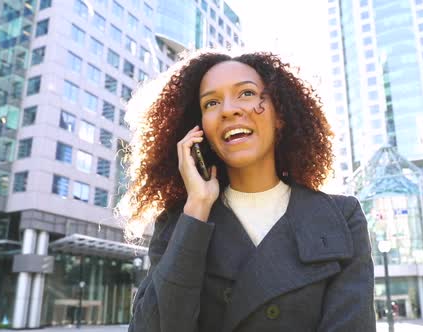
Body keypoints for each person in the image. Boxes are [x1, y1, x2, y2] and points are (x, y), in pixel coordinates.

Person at [118, 50, 375, 332]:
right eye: (211, 102)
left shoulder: (342, 217)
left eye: (247, 93)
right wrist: (198, 206)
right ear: (200, 129)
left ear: (281, 116)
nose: (228, 110)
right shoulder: (180, 221)